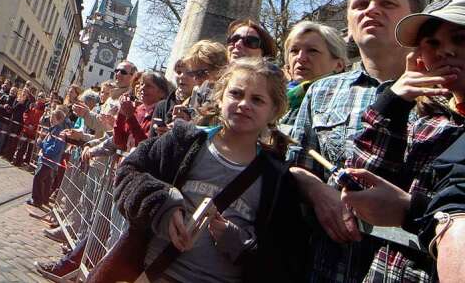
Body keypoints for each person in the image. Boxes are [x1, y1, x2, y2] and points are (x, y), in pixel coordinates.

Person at [87, 59, 308, 283]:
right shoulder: (183, 142)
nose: (244, 104)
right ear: (220, 99)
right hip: (147, 274)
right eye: (236, 94)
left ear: (274, 111)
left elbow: (283, 259)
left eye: (257, 100)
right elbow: (129, 172)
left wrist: (242, 245)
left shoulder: (276, 180)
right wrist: (160, 204)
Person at [287, 0, 424, 283]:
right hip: (325, 269)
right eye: (360, 4)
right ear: (348, 25)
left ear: (416, 20)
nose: (371, 9)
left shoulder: (446, 93)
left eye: (387, 3)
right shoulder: (321, 91)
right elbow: (296, 164)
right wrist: (316, 190)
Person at [337, 0, 465, 282]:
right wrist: (394, 100)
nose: (445, 51)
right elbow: (362, 180)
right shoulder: (426, 121)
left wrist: (412, 211)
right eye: (431, 44)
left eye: (460, 38)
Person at [280, 21, 348, 126]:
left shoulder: (346, 102)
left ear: (339, 65)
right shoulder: (275, 101)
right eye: (294, 51)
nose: (300, 58)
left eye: (312, 51)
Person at [114, 71, 172, 151]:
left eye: (148, 86)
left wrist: (130, 117)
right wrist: (122, 113)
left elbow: (146, 145)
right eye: (141, 84)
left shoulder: (162, 115)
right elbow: (119, 141)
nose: (142, 88)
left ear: (162, 93)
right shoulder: (137, 109)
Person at [28, 106, 68, 211]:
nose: (50, 119)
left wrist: (43, 148)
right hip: (48, 159)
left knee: (38, 177)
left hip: (49, 160)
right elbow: (49, 143)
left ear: (59, 119)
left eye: (53, 117)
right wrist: (41, 144)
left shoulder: (59, 131)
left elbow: (56, 147)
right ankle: (44, 199)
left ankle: (37, 200)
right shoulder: (54, 129)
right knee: (46, 180)